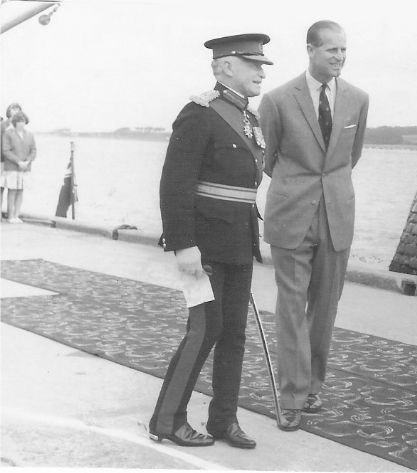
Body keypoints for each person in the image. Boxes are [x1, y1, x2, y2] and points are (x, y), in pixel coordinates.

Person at [148, 33, 272, 449]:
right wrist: (183, 244)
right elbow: (174, 184)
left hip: (239, 240)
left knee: (234, 332)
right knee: (205, 329)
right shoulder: (199, 114)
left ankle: (223, 420)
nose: (261, 71)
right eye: (252, 64)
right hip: (203, 245)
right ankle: (167, 419)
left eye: (261, 65)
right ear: (225, 66)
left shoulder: (249, 119)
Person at [258, 20, 369, 432]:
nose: (339, 57)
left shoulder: (358, 99)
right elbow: (269, 159)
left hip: (336, 214)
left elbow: (348, 157)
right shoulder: (277, 99)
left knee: (325, 306)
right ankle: (291, 396)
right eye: (331, 50)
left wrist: (329, 189)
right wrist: (298, 188)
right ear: (310, 50)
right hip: (291, 215)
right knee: (291, 305)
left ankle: (312, 386)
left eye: (344, 50)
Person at [1, 111, 36, 223]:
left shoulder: (30, 135)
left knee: (21, 191)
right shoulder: (8, 134)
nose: (21, 123)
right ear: (15, 122)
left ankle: (17, 215)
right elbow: (6, 151)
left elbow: (34, 150)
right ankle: (10, 217)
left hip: (25, 168)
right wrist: (18, 162)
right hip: (12, 167)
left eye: (23, 121)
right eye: (19, 121)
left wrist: (28, 161)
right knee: (12, 191)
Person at [0, 103, 24, 219]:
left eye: (18, 109)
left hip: (15, 163)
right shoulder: (2, 125)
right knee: (0, 188)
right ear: (9, 111)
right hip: (2, 161)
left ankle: (11, 215)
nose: (16, 111)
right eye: (13, 109)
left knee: (13, 188)